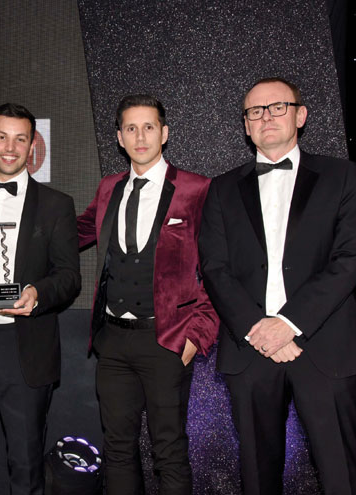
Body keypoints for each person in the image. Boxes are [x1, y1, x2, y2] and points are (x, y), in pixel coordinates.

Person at [199, 77, 356, 494]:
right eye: (255, 111)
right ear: (246, 125)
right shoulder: (221, 189)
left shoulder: (341, 176)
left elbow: (350, 259)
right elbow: (215, 269)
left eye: (278, 107)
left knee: (343, 477)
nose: (266, 117)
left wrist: (288, 324)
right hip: (250, 350)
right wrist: (259, 329)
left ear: (301, 115)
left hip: (325, 347)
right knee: (258, 479)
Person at [77, 94, 218, 494]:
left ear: (164, 133)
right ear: (119, 137)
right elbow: (76, 232)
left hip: (167, 341)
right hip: (112, 342)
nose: (140, 137)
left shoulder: (196, 189)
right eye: (131, 128)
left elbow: (218, 269)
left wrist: (197, 335)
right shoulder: (109, 187)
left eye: (149, 127)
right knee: (118, 450)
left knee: (169, 451)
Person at [0, 103, 81, 494]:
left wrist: (38, 292)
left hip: (23, 344)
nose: (10, 147)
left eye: (20, 139)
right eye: (2, 137)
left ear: (32, 145)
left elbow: (69, 276)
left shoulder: (56, 204)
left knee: (25, 463)